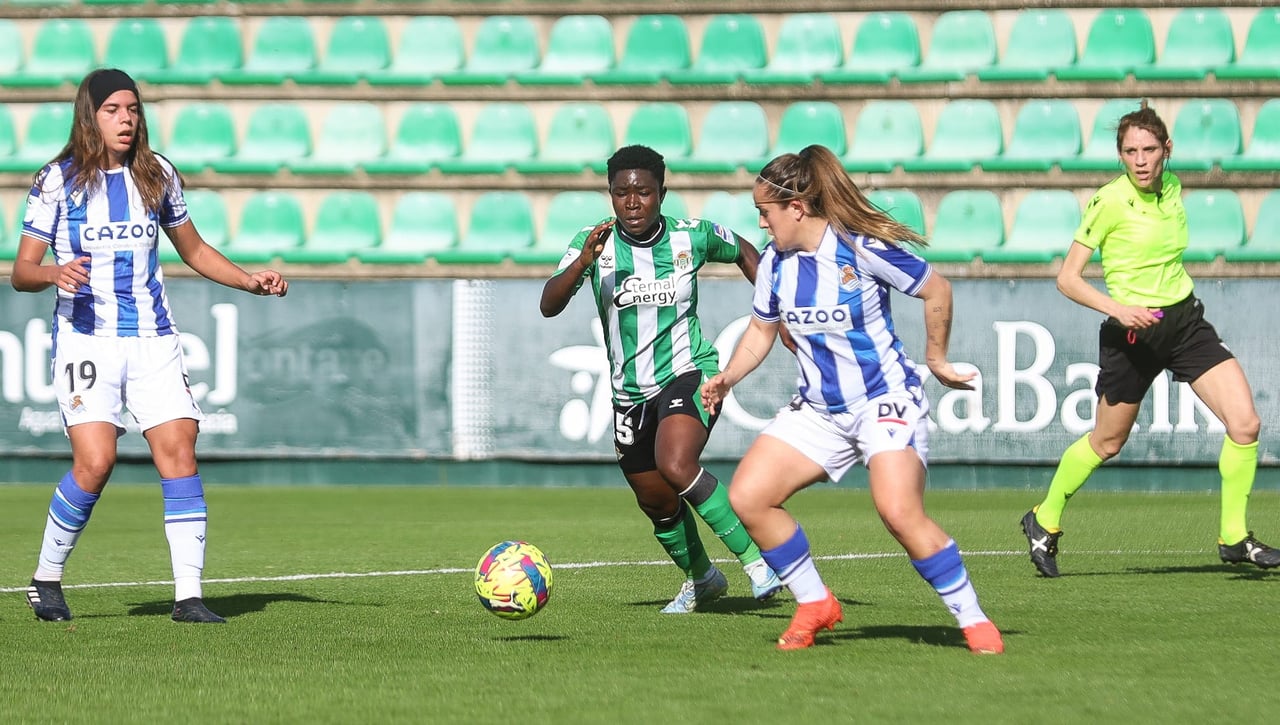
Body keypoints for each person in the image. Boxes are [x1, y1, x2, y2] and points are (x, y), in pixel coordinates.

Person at [700, 144, 1003, 653]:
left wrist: (936, 359)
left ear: (796, 208)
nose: (762, 224)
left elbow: (937, 290)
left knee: (898, 512)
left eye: (765, 212)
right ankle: (815, 601)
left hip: (884, 401)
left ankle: (972, 619)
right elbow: (760, 332)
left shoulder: (858, 248)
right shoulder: (775, 263)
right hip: (819, 410)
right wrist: (729, 376)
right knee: (748, 497)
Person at [11, 68, 289, 623]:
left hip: (154, 338)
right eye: (113, 109)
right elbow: (21, 270)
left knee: (179, 452)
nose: (126, 119)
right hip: (86, 338)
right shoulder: (56, 180)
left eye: (133, 109)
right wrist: (53, 274)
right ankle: (46, 579)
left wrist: (248, 280)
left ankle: (189, 596)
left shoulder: (157, 174)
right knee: (96, 462)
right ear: (89, 116)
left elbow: (195, 249)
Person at [1020, 101, 1277, 577]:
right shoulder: (1108, 201)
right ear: (1120, 156)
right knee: (1106, 442)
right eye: (1130, 151)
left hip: (1184, 324)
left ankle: (1235, 537)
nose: (1140, 160)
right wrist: (1119, 309)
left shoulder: (1174, 188)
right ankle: (1043, 518)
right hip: (1131, 335)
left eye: (1149, 149)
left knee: (1246, 425)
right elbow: (1068, 279)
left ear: (1167, 150)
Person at [541, 144, 783, 613]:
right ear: (610, 196)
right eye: (621, 193)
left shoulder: (691, 236)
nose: (633, 203)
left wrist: (775, 308)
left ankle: (757, 563)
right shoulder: (592, 243)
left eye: (644, 193)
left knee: (676, 464)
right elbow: (549, 304)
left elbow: (745, 250)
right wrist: (581, 263)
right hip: (628, 393)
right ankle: (702, 579)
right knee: (655, 499)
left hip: (688, 372)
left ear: (661, 193)